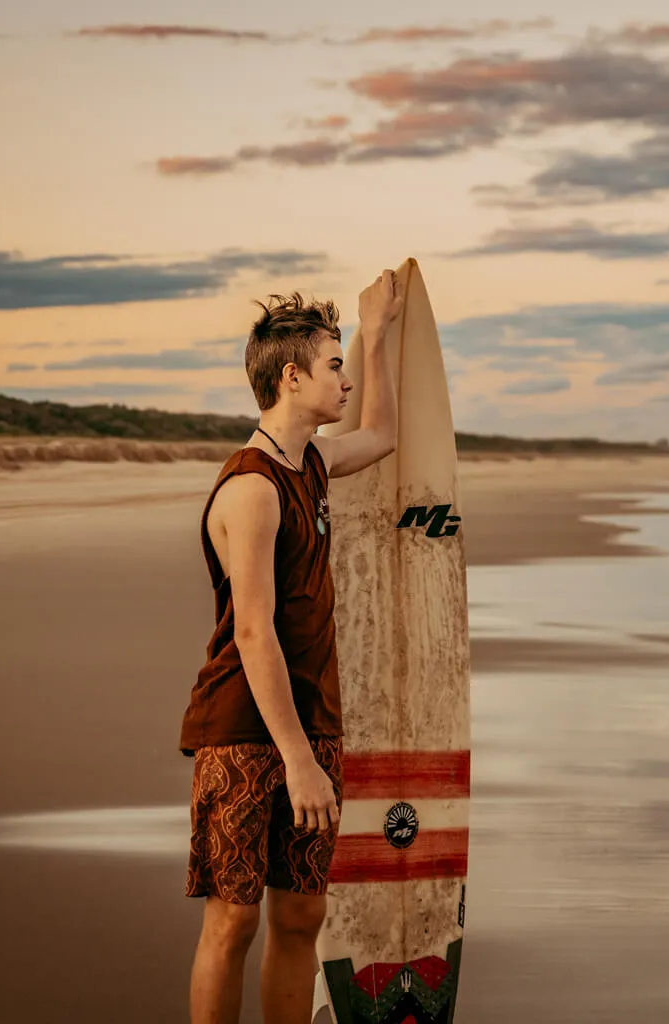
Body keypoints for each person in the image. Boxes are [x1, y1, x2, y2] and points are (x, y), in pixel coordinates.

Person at [178, 268, 403, 1024]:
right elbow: (253, 632)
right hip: (245, 732)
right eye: (335, 366)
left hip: (313, 723)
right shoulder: (252, 489)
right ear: (293, 376)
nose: (344, 380)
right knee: (233, 921)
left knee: (302, 919)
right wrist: (299, 761)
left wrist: (383, 336)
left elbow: (385, 436)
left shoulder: (312, 463)